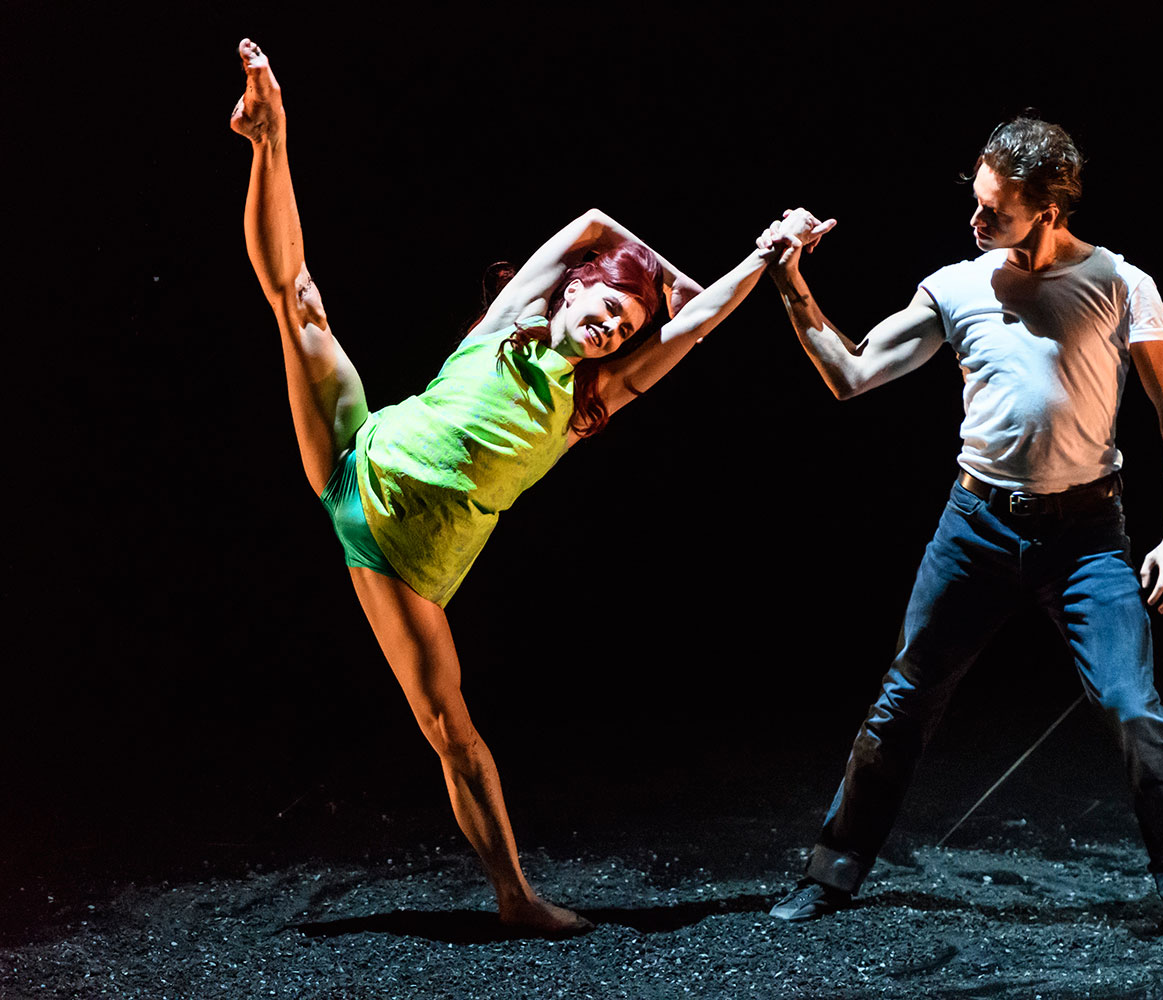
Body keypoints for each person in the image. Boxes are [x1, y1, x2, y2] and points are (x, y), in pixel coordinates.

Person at [229, 38, 803, 938]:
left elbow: (692, 326)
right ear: (572, 293)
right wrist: (656, 274)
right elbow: (591, 223)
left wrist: (760, 260)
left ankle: (513, 895)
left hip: (398, 558)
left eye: (624, 327)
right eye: (605, 306)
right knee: (296, 298)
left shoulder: (591, 401)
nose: (612, 326)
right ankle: (271, 136)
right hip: (360, 449)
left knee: (449, 728)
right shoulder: (508, 322)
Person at [762, 117, 1163, 948]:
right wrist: (792, 282)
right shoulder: (956, 285)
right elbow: (851, 374)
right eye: (975, 205)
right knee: (905, 699)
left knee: (1130, 705)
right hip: (976, 526)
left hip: (1087, 532)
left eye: (996, 213)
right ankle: (831, 870)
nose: (975, 225)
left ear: (1048, 208)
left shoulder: (1122, 282)